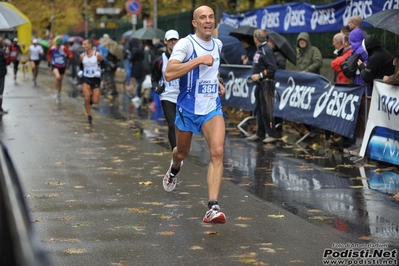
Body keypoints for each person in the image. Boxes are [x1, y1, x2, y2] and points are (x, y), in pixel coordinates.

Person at [163, 5, 227, 224]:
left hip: (211, 108)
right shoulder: (185, 44)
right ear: (195, 22)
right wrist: (198, 60)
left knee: (217, 152)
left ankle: (213, 207)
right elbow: (170, 73)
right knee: (181, 152)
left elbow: (212, 70)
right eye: (203, 17)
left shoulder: (218, 44)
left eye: (211, 16)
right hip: (188, 109)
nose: (208, 20)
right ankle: (174, 168)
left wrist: (218, 82)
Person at [246, 29, 278, 143]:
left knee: (266, 109)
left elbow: (272, 68)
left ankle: (271, 134)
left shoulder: (266, 50)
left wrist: (259, 75)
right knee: (258, 109)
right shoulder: (260, 50)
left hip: (267, 83)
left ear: (256, 38)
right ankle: (260, 133)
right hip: (259, 84)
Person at [151, 29, 180, 150]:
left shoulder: (185, 58)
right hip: (167, 95)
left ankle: (181, 148)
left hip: (182, 95)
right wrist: (156, 87)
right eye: (170, 40)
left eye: (175, 40)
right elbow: (154, 78)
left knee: (183, 126)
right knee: (172, 124)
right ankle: (175, 152)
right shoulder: (160, 60)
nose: (172, 42)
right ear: (165, 41)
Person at [79, 39, 104, 124]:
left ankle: (88, 103)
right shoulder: (82, 56)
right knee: (86, 97)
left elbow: (104, 66)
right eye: (82, 44)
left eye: (85, 44)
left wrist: (99, 72)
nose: (83, 46)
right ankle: (89, 116)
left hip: (95, 79)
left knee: (95, 101)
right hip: (86, 78)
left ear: (90, 45)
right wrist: (81, 71)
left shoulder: (97, 55)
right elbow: (81, 66)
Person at [47, 38, 73, 104]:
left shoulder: (63, 48)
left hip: (62, 66)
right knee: (57, 77)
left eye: (59, 45)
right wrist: (49, 60)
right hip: (55, 65)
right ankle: (55, 92)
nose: (58, 46)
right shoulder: (52, 48)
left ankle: (59, 92)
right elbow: (49, 54)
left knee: (60, 81)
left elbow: (70, 53)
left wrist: (69, 56)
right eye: (57, 45)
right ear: (56, 44)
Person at [0, 38, 9, 114]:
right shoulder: (3, 51)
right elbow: (8, 61)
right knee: (0, 91)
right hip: (1, 73)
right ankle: (0, 108)